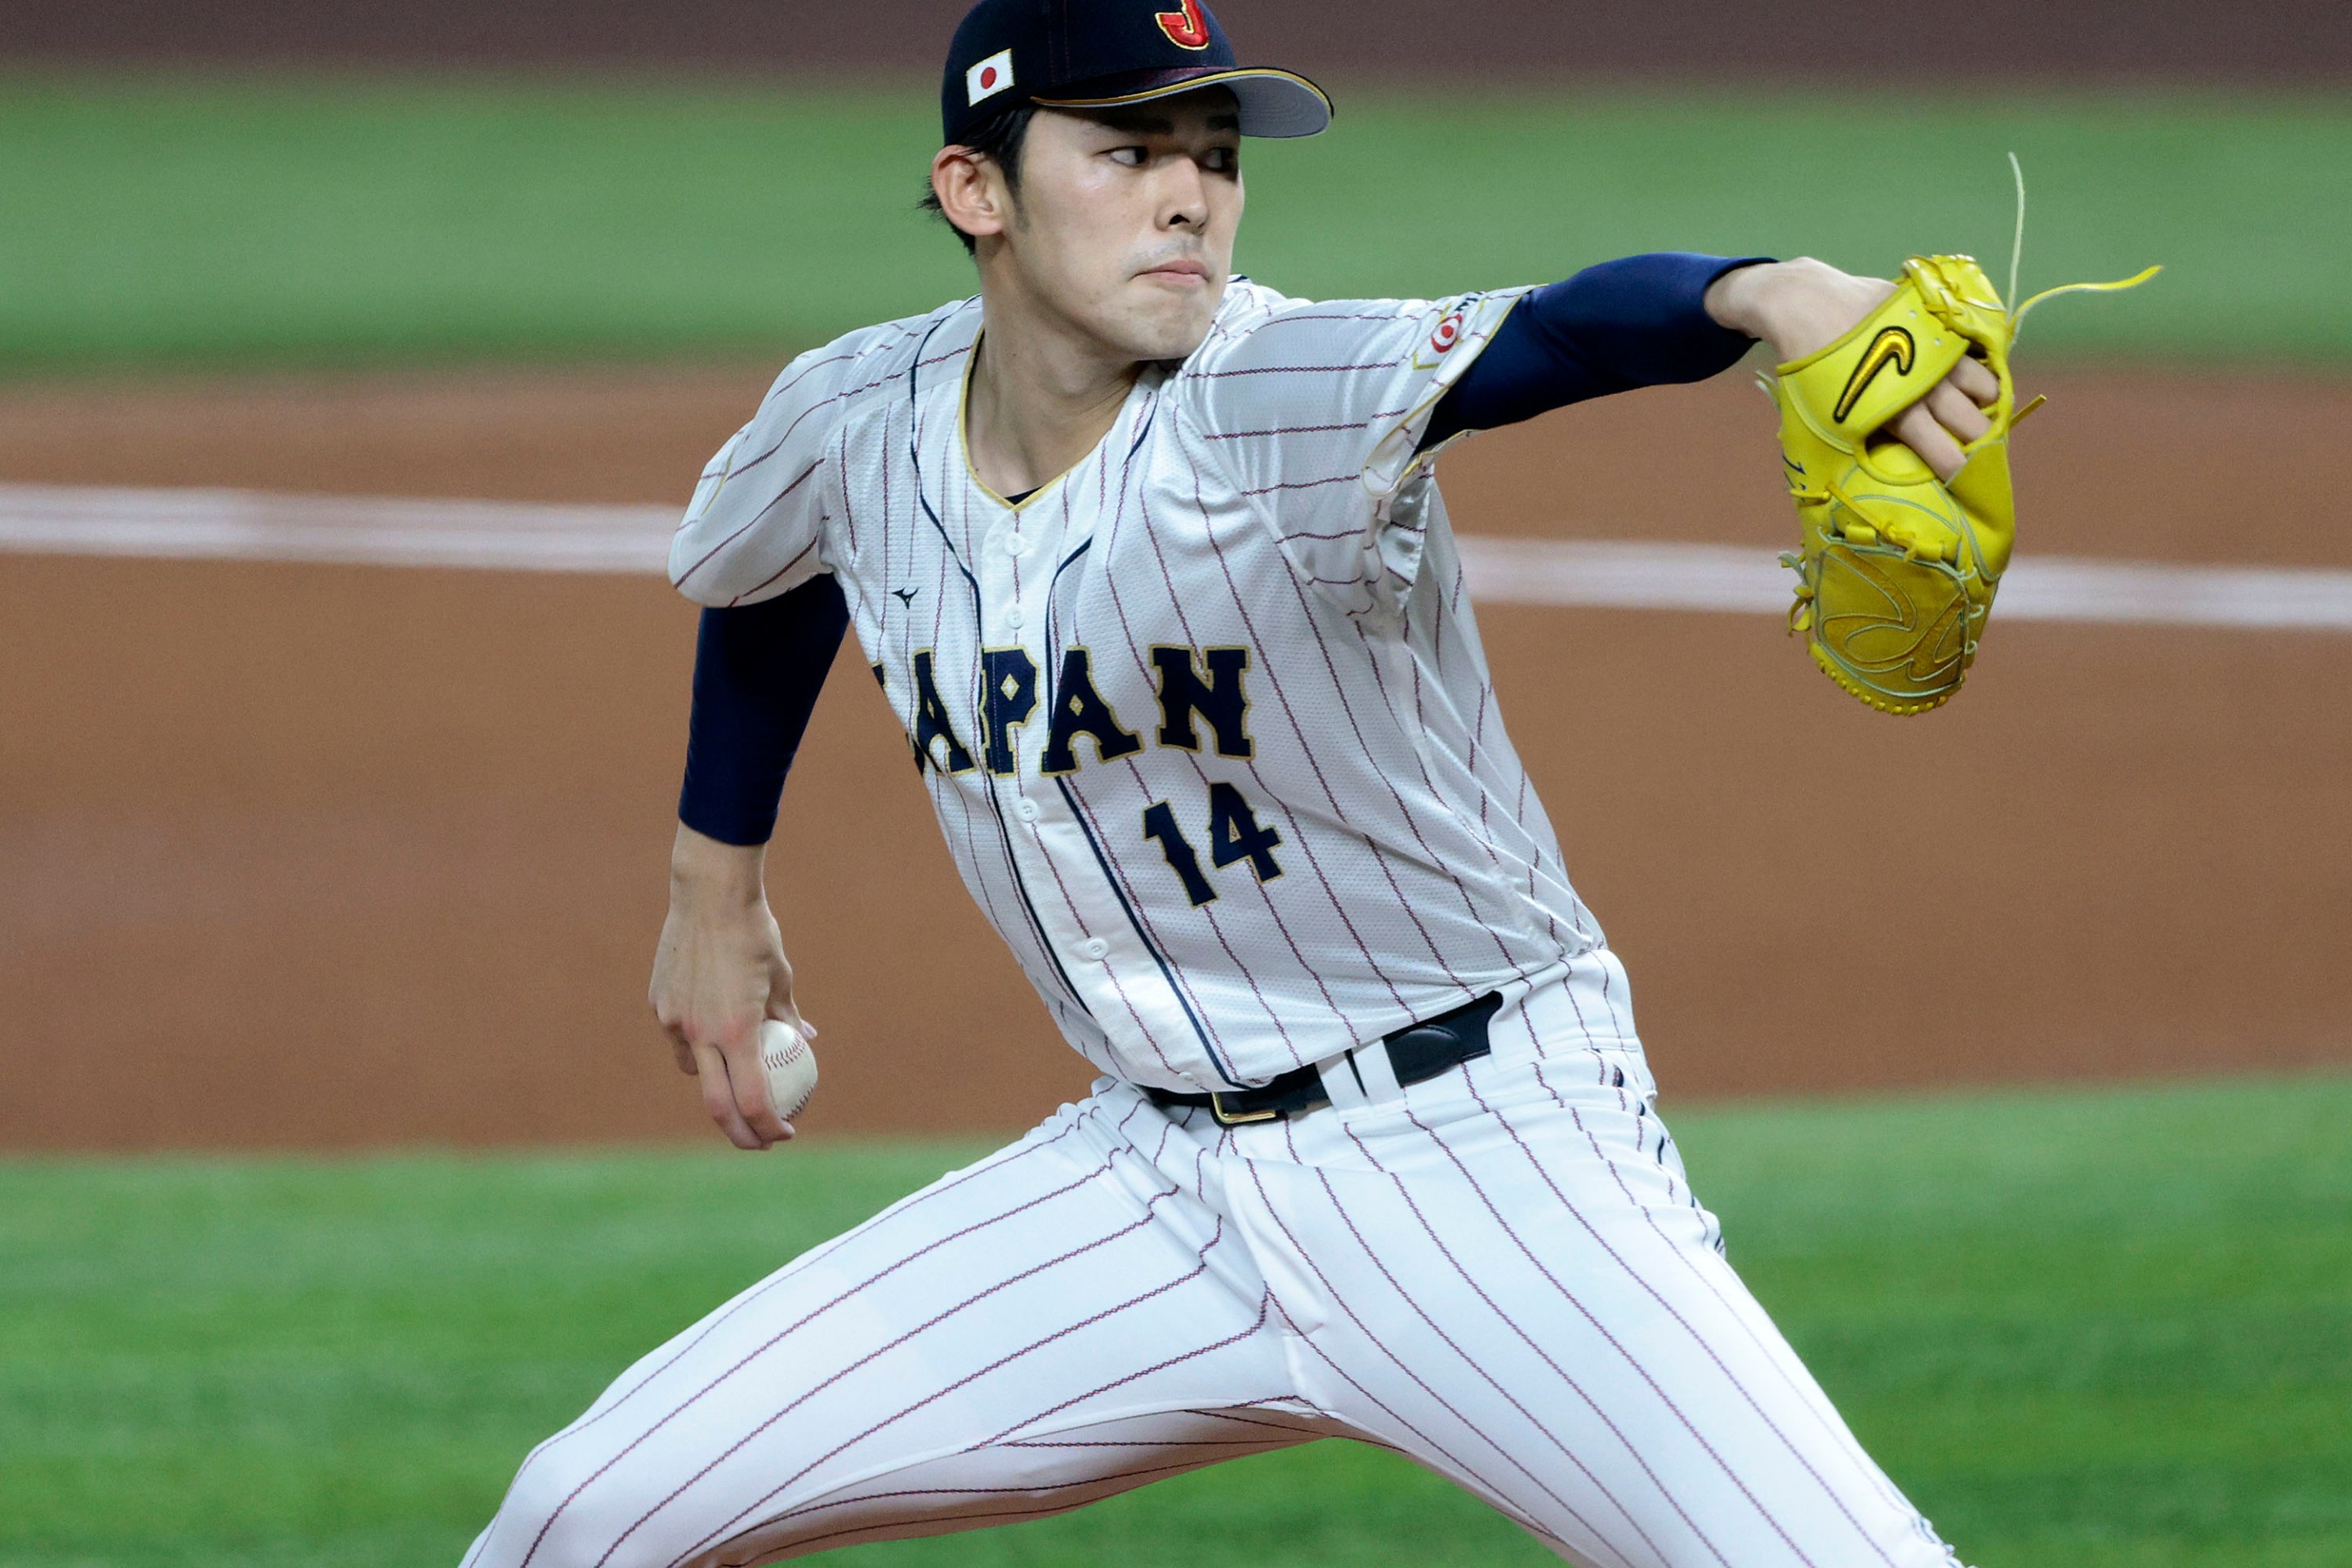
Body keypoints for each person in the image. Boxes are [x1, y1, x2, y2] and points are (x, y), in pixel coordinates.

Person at [465, 2, 1998, 1564]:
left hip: (1481, 1156)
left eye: (1213, 154)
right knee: (581, 1514)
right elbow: (770, 565)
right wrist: (712, 886)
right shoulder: (858, 413)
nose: (1189, 193)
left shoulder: (1277, 390)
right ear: (976, 190)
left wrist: (1770, 292)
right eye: (1127, 152)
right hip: (1152, 1184)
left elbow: (1550, 336)